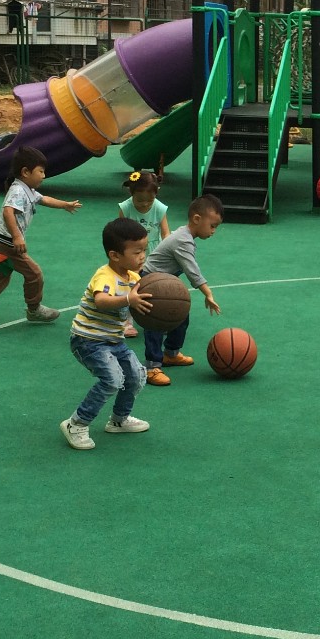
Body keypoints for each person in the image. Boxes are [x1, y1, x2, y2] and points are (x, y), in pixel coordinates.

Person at [0, 146, 80, 330]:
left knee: (1, 277)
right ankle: (34, 309)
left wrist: (65, 205)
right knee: (34, 274)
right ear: (25, 172)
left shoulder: (27, 189)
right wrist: (17, 237)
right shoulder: (18, 191)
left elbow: (44, 199)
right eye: (40, 171)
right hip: (7, 245)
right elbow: (8, 212)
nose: (44, 175)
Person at [60, 218, 154, 450]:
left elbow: (141, 303)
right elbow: (102, 301)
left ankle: (119, 420)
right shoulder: (105, 276)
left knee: (135, 375)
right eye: (137, 252)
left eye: (144, 250)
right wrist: (128, 299)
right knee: (112, 380)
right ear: (115, 255)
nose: (142, 256)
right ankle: (76, 423)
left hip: (113, 340)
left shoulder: (134, 278)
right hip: (88, 340)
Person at [142, 195, 224, 387]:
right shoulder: (183, 240)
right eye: (212, 226)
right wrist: (208, 293)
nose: (213, 231)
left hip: (165, 282)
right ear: (197, 219)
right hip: (151, 281)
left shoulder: (185, 235)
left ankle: (171, 353)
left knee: (180, 315)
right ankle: (152, 366)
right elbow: (192, 271)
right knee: (154, 322)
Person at [117, 170, 171, 338]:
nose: (145, 204)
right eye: (140, 200)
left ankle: (159, 319)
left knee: (156, 287)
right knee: (129, 286)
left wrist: (167, 252)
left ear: (157, 193)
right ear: (131, 192)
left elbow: (166, 233)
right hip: (131, 254)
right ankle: (127, 322)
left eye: (150, 200)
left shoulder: (159, 208)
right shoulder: (125, 207)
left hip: (154, 253)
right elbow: (119, 233)